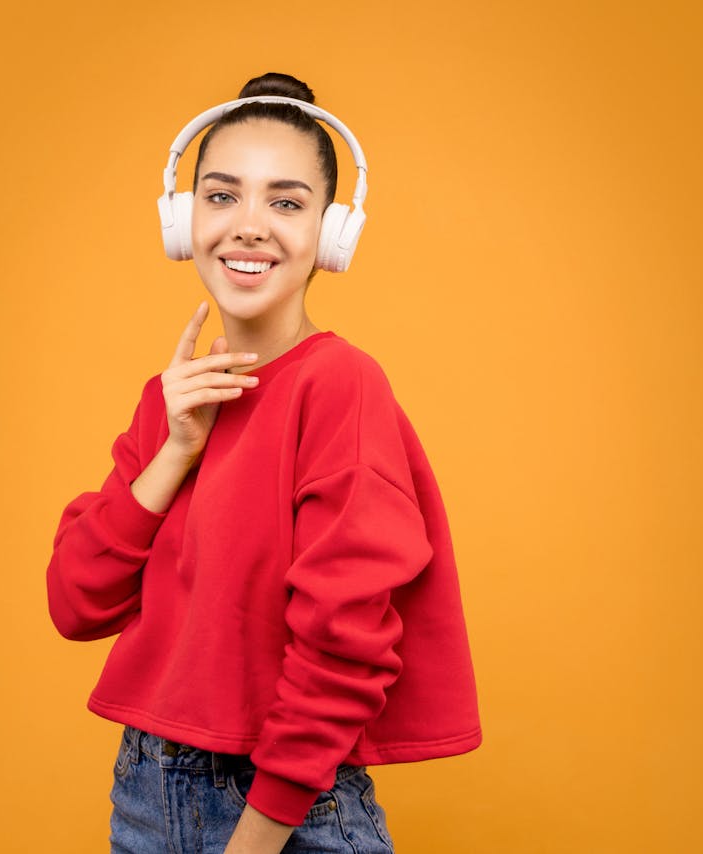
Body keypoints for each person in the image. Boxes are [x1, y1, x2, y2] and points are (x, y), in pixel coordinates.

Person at [46, 72, 482, 854]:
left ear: (332, 232)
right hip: (144, 794)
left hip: (282, 814)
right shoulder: (175, 401)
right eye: (222, 196)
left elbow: (344, 642)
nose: (249, 226)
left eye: (285, 202)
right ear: (185, 220)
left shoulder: (339, 385)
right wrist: (176, 448)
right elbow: (76, 602)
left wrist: (253, 840)